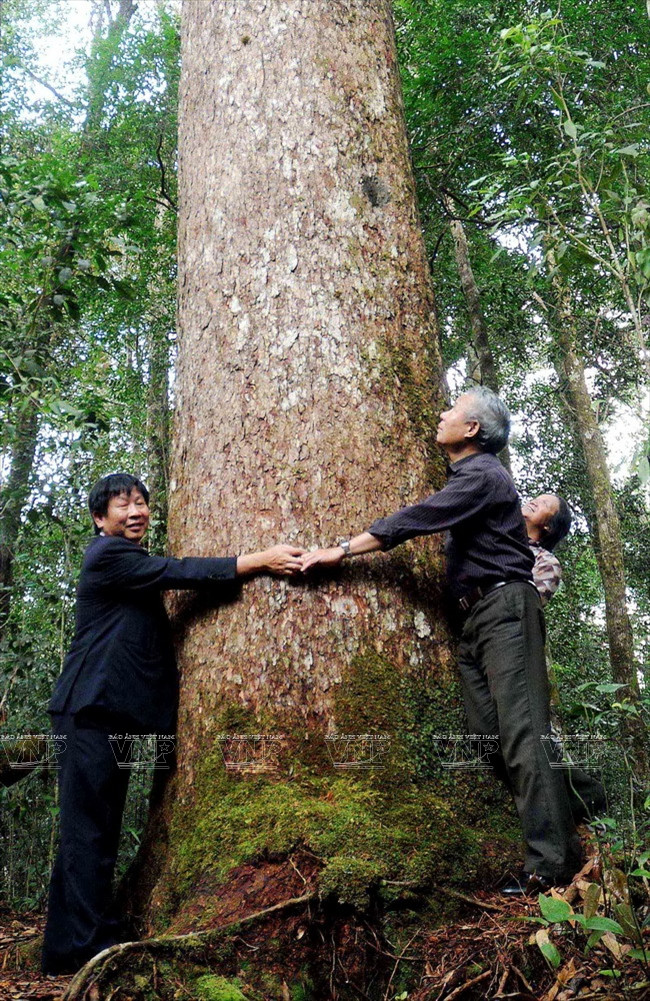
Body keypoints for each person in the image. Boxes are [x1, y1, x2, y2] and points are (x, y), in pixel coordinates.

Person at [301, 387, 586, 897]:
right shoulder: (474, 478)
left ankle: (551, 864)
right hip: (475, 620)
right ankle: (586, 797)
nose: (441, 415)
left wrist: (342, 550)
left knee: (522, 733)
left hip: (505, 611)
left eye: (451, 411)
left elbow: (418, 518)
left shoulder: (484, 475)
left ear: (472, 429)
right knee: (487, 734)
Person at [41, 473, 304, 976]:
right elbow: (179, 570)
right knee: (88, 832)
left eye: (141, 502)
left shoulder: (129, 563)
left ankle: (67, 948)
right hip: (87, 711)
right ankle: (86, 946)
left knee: (96, 829)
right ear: (101, 519)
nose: (136, 511)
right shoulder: (109, 556)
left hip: (110, 713)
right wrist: (257, 560)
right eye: (123, 505)